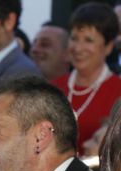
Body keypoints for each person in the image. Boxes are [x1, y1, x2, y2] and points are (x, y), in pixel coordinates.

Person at [54, 2, 121, 154]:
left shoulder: (118, 92)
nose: (78, 48)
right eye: (74, 38)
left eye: (88, 40)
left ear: (109, 46)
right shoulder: (53, 88)